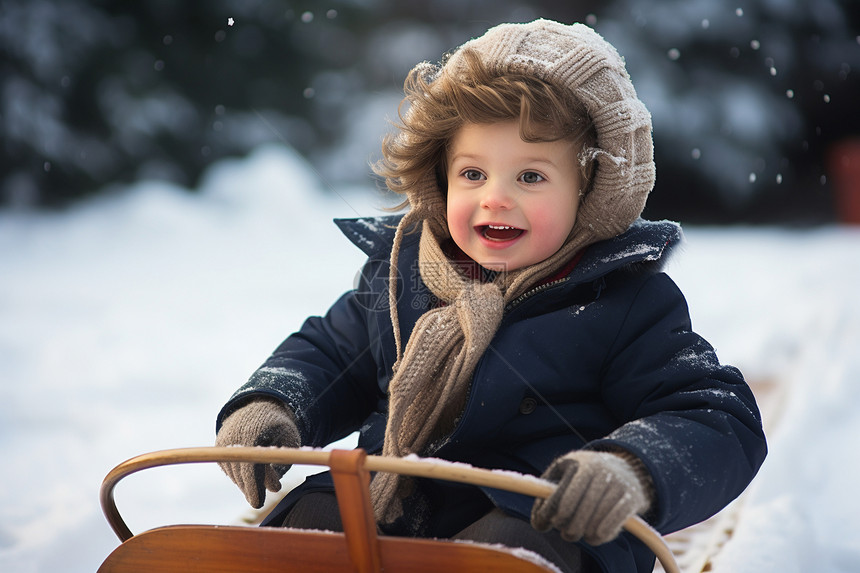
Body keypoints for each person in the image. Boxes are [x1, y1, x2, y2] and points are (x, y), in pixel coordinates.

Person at [215, 19, 767, 573]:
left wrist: (631, 469)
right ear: (441, 177)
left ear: (590, 190)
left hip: (545, 519)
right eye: (473, 173)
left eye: (530, 177)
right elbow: (333, 353)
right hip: (394, 503)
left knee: (508, 550)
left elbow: (713, 415)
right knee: (315, 519)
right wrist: (275, 401)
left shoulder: (624, 300)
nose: (496, 199)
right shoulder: (401, 275)